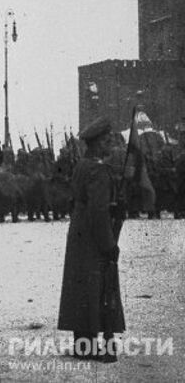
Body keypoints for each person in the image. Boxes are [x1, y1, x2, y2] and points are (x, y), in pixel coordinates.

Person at [58, 116, 125, 362]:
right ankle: (102, 347)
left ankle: (81, 344)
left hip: (78, 234)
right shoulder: (98, 170)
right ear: (97, 143)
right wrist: (109, 245)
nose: (111, 145)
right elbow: (98, 212)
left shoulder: (82, 166)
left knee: (80, 288)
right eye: (107, 141)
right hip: (94, 237)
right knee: (99, 287)